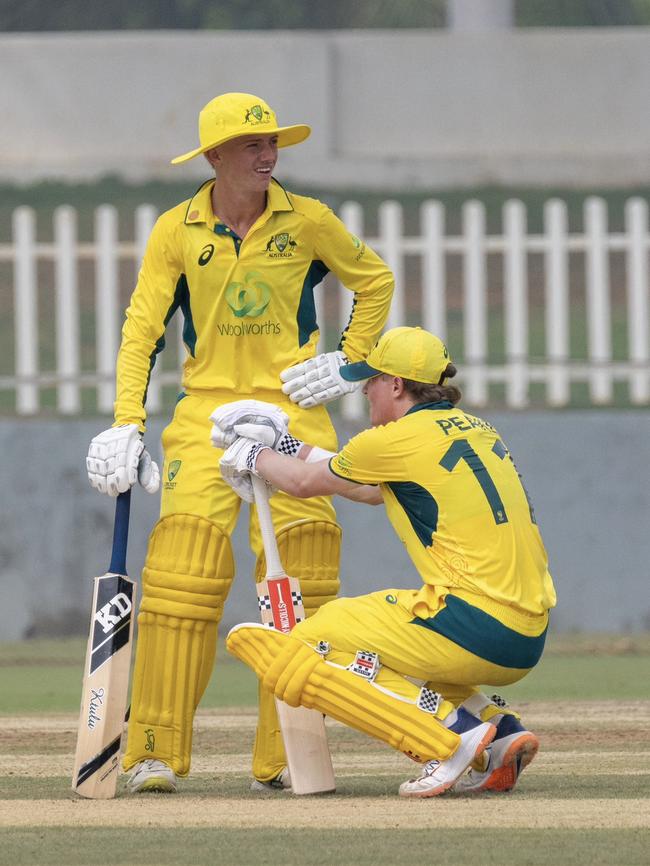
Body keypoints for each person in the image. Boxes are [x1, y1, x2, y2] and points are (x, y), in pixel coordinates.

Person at [84, 92, 394, 793]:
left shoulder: (308, 220)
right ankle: (153, 752)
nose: (268, 155)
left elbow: (374, 282)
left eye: (273, 143)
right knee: (182, 576)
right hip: (205, 411)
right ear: (216, 156)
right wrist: (125, 420)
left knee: (306, 573)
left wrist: (349, 363)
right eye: (253, 145)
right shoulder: (176, 230)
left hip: (294, 412)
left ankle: (283, 755)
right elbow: (143, 331)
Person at [219, 326, 557, 797]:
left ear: (396, 385)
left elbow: (300, 484)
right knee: (397, 644)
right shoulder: (476, 429)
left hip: (477, 621)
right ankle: (498, 732)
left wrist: (251, 453)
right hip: (527, 632)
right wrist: (285, 446)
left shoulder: (395, 439)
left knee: (315, 638)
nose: (365, 394)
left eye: (369, 383)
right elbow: (368, 486)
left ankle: (449, 739)